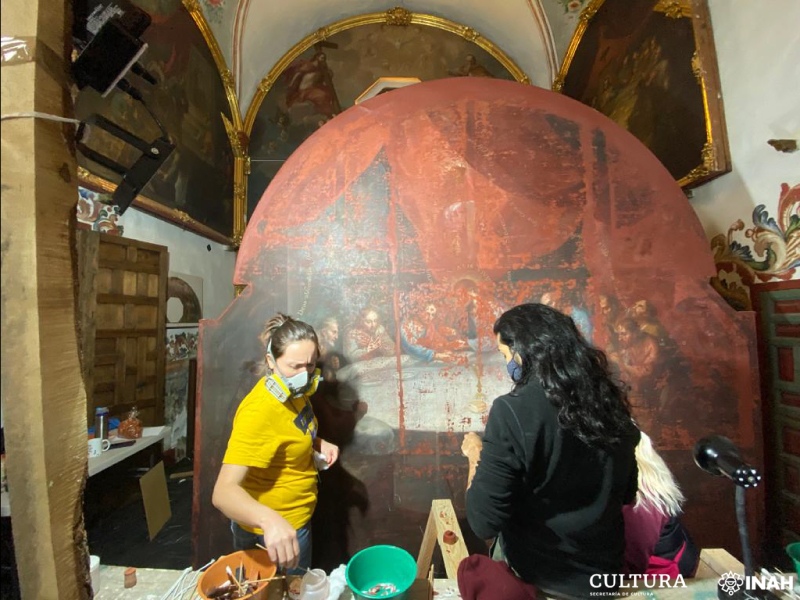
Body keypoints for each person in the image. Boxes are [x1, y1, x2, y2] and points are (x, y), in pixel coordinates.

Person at [461, 303, 640, 599]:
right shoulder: (608, 403)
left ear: (523, 351)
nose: (509, 366)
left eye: (506, 356)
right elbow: (626, 495)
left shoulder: (512, 411)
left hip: (539, 577)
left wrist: (475, 455)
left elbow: (483, 522)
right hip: (604, 576)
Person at [212, 313, 340, 573]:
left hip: (296, 518)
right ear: (271, 361)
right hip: (273, 534)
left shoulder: (297, 392)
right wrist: (270, 521)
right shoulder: (259, 411)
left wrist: (317, 443)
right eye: (295, 366)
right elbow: (223, 493)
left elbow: (289, 432)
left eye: (310, 364)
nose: (304, 375)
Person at [624, 431, 699, 578]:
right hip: (673, 561)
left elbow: (632, 566)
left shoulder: (641, 497)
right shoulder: (651, 484)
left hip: (660, 575)